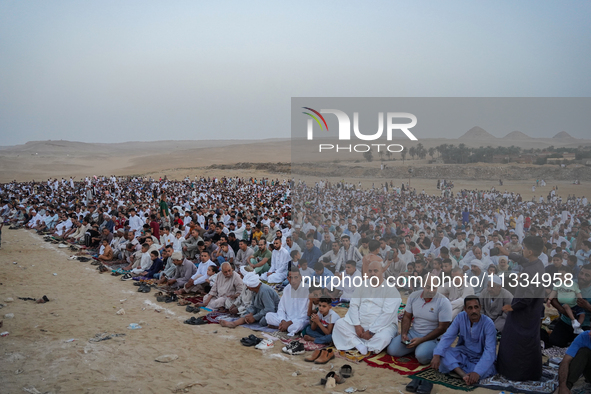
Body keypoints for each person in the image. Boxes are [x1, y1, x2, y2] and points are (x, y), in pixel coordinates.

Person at [496, 236, 546, 381]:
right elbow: (523, 260)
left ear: (529, 251)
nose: (522, 250)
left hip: (524, 313)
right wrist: (506, 253)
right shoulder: (538, 263)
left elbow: (527, 298)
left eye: (524, 248)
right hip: (531, 312)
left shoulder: (530, 272)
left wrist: (511, 307)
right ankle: (529, 372)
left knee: (515, 342)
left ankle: (516, 374)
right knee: (528, 342)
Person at [333, 260, 402, 356]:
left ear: (382, 270)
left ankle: (355, 342)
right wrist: (357, 326)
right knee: (339, 324)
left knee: (383, 338)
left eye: (375, 271)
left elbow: (387, 314)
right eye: (370, 271)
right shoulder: (362, 285)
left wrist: (371, 332)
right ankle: (360, 345)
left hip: (381, 327)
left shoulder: (391, 290)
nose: (372, 273)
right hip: (360, 325)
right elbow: (353, 305)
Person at [388, 274, 452, 367]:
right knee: (392, 350)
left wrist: (422, 340)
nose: (431, 290)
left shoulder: (443, 302)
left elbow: (442, 328)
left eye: (434, 287)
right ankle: (417, 347)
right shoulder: (414, 296)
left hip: (432, 337)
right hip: (414, 333)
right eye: (428, 287)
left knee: (422, 356)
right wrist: (404, 334)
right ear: (422, 284)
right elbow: (407, 316)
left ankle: (425, 348)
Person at [431, 296, 497, 386]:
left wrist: (477, 372)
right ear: (465, 309)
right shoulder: (460, 317)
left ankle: (458, 370)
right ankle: (463, 375)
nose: (474, 311)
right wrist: (437, 355)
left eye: (476, 307)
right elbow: (448, 337)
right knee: (442, 352)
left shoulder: (488, 323)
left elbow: (490, 351)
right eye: (470, 308)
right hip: (463, 354)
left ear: (480, 307)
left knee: (487, 370)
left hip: (479, 359)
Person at [549, 264, 591, 347]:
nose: (582, 277)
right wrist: (562, 310)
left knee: (581, 349)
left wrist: (587, 306)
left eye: (587, 275)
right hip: (566, 321)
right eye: (581, 273)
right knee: (553, 343)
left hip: (583, 325)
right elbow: (552, 298)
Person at [265, 268, 309, 335]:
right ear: (288, 279)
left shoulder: (307, 289)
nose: (293, 280)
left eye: (296, 277)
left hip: (299, 320)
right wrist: (283, 320)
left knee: (297, 326)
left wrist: (289, 323)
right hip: (286, 319)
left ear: (300, 277)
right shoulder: (287, 288)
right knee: (268, 316)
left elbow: (306, 314)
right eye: (291, 278)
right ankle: (284, 326)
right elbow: (281, 308)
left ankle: (280, 327)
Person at [547, 265, 585, 334]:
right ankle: (573, 320)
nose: (560, 277)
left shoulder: (574, 284)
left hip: (574, 304)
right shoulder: (558, 283)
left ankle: (577, 327)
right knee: (566, 306)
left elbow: (578, 292)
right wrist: (549, 299)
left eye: (562, 275)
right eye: (559, 275)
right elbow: (554, 291)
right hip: (564, 304)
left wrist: (580, 299)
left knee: (582, 314)